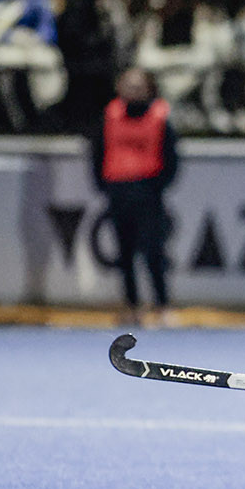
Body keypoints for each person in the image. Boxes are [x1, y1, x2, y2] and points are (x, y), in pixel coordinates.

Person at [92, 67, 179, 326]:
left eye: (138, 85)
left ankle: (162, 306)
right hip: (119, 191)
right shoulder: (110, 116)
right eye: (128, 84)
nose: (133, 90)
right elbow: (97, 153)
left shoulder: (159, 117)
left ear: (149, 88)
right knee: (125, 254)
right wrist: (105, 186)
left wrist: (157, 186)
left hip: (148, 192)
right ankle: (132, 306)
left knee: (154, 252)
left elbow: (172, 158)